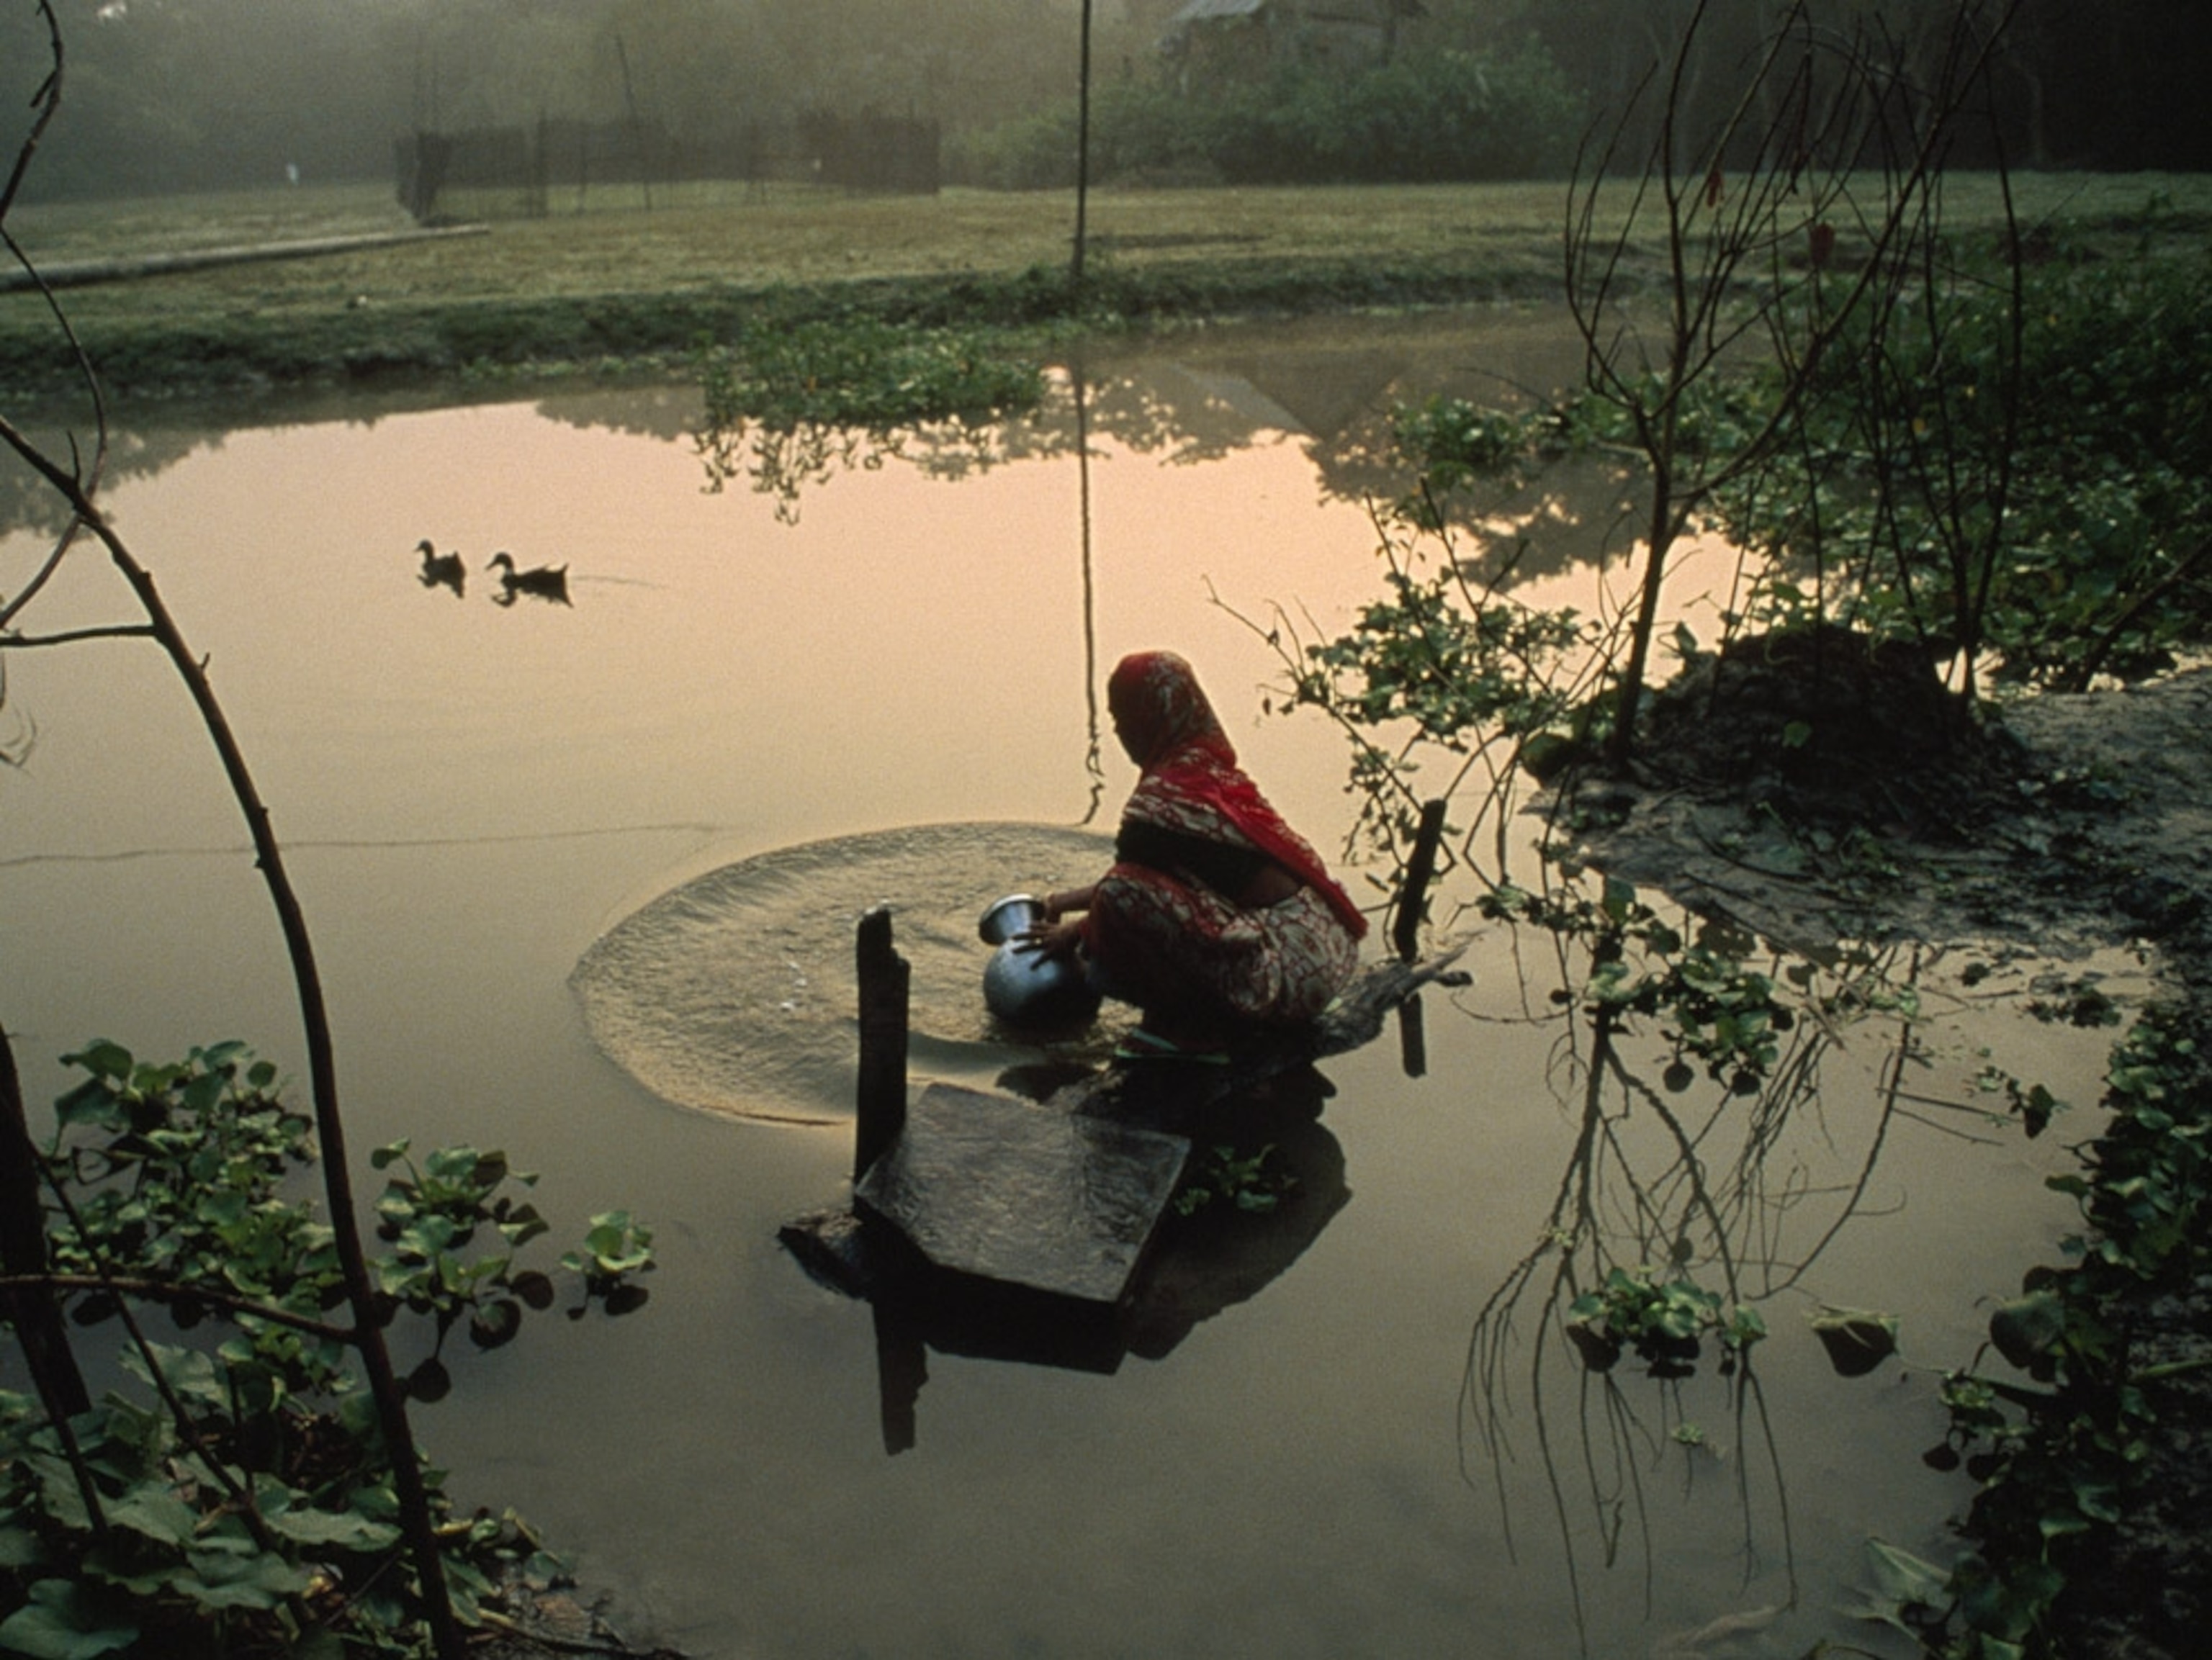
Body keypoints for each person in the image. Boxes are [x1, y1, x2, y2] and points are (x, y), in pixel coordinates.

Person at [1024, 649, 1367, 1058]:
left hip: (1286, 979)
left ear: (1147, 719)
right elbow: (1166, 871)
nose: (1119, 733)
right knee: (1126, 895)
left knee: (1115, 907)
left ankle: (1194, 1029)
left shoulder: (1158, 803)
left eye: (1122, 720)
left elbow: (1126, 889)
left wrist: (1073, 932)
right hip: (1323, 950)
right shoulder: (1207, 774)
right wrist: (1061, 903)